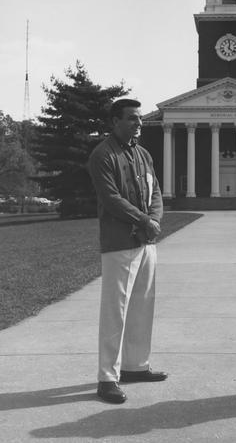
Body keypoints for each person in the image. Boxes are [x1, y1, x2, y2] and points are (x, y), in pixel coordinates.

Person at [88, 98, 167, 404]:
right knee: (115, 311)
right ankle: (107, 378)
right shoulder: (103, 155)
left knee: (142, 306)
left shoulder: (143, 154)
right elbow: (111, 198)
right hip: (119, 244)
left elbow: (155, 190)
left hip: (146, 243)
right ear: (114, 122)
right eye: (132, 118)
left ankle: (135, 366)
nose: (138, 123)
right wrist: (144, 220)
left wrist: (155, 219)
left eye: (139, 119)